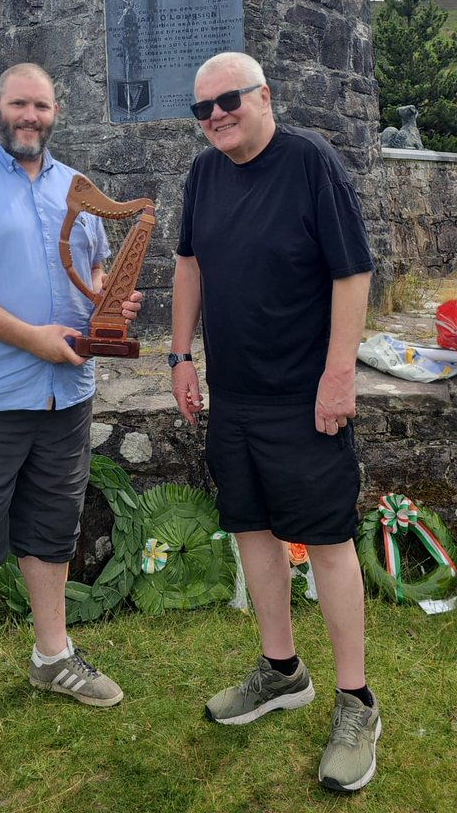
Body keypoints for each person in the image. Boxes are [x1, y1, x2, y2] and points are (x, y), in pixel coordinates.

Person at [0, 62, 142, 793]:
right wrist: (31, 338)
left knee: (50, 529)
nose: (30, 116)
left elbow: (96, 285)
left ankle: (52, 658)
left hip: (63, 395)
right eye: (19, 103)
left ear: (54, 112)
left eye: (41, 106)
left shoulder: (73, 184)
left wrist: (114, 311)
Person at [170, 51, 381, 793]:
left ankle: (356, 703)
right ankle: (280, 670)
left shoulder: (309, 162)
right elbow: (188, 264)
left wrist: (336, 376)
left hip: (303, 395)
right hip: (233, 395)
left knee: (325, 541)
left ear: (264, 95)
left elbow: (350, 272)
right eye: (201, 109)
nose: (215, 116)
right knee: (252, 533)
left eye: (227, 100)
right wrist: (179, 356)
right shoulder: (202, 175)